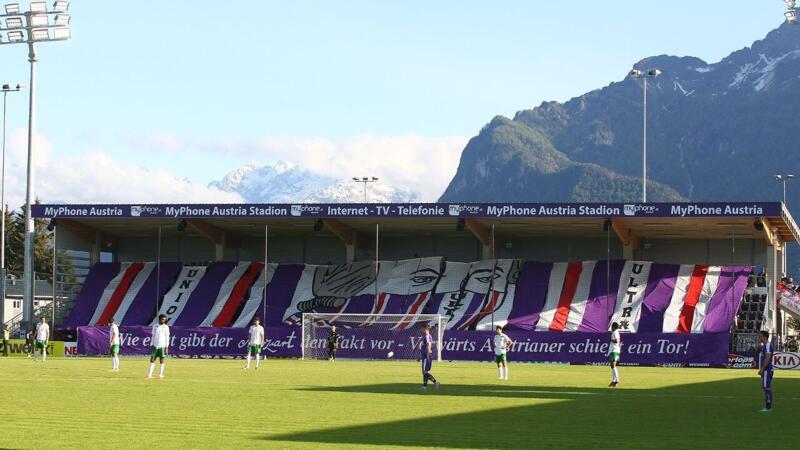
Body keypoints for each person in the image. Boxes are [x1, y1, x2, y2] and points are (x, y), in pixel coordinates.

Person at [147, 314, 170, 379]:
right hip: (155, 345)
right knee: (152, 360)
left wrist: (166, 347)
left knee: (162, 360)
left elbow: (167, 337)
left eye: (165, 319)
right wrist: (151, 344)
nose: (164, 320)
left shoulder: (166, 327)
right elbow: (153, 336)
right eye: (163, 319)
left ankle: (160, 375)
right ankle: (149, 375)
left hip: (162, 346)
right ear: (159, 319)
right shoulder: (155, 326)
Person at [757, 330, 774, 412]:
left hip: (767, 370)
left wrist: (762, 369)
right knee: (765, 387)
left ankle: (768, 407)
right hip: (766, 370)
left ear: (764, 336)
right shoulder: (764, 345)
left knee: (767, 387)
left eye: (760, 336)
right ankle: (768, 406)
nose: (759, 338)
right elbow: (758, 353)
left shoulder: (767, 345)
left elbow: (767, 357)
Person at [420, 324, 439, 390]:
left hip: (426, 356)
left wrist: (428, 354)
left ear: (426, 329)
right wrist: (420, 356)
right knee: (424, 372)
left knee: (425, 372)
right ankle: (425, 386)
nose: (421, 330)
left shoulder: (427, 336)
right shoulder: (425, 336)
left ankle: (436, 382)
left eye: (422, 329)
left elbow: (429, 345)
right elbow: (424, 347)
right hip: (424, 356)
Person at [609, 322, 622, 387]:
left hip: (614, 350)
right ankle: (614, 380)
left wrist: (611, 340)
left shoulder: (615, 333)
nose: (611, 328)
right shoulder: (615, 333)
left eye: (612, 326)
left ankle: (617, 380)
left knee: (613, 365)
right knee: (612, 365)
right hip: (613, 350)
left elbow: (616, 341)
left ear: (613, 327)